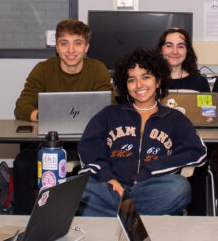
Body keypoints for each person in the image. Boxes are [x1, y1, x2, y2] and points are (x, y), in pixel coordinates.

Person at [78, 48, 207, 216]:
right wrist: (107, 177)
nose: (139, 85)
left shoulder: (175, 118)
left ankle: (120, 214)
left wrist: (151, 170)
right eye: (132, 80)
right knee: (75, 188)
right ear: (125, 84)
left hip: (149, 190)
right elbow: (89, 148)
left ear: (158, 81)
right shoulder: (109, 114)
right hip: (111, 189)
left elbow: (197, 152)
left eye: (146, 77)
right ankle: (131, 216)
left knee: (179, 187)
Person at [13, 18, 112, 121]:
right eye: (64, 43)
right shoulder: (43, 69)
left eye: (77, 43)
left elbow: (109, 106)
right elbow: (21, 107)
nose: (71, 50)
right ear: (57, 47)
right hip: (51, 132)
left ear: (86, 47)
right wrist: (45, 116)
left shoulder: (98, 69)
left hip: (89, 131)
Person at [156, 27, 210, 92]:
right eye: (169, 46)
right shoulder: (151, 81)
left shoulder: (200, 82)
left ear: (187, 51)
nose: (175, 52)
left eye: (180, 46)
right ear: (161, 50)